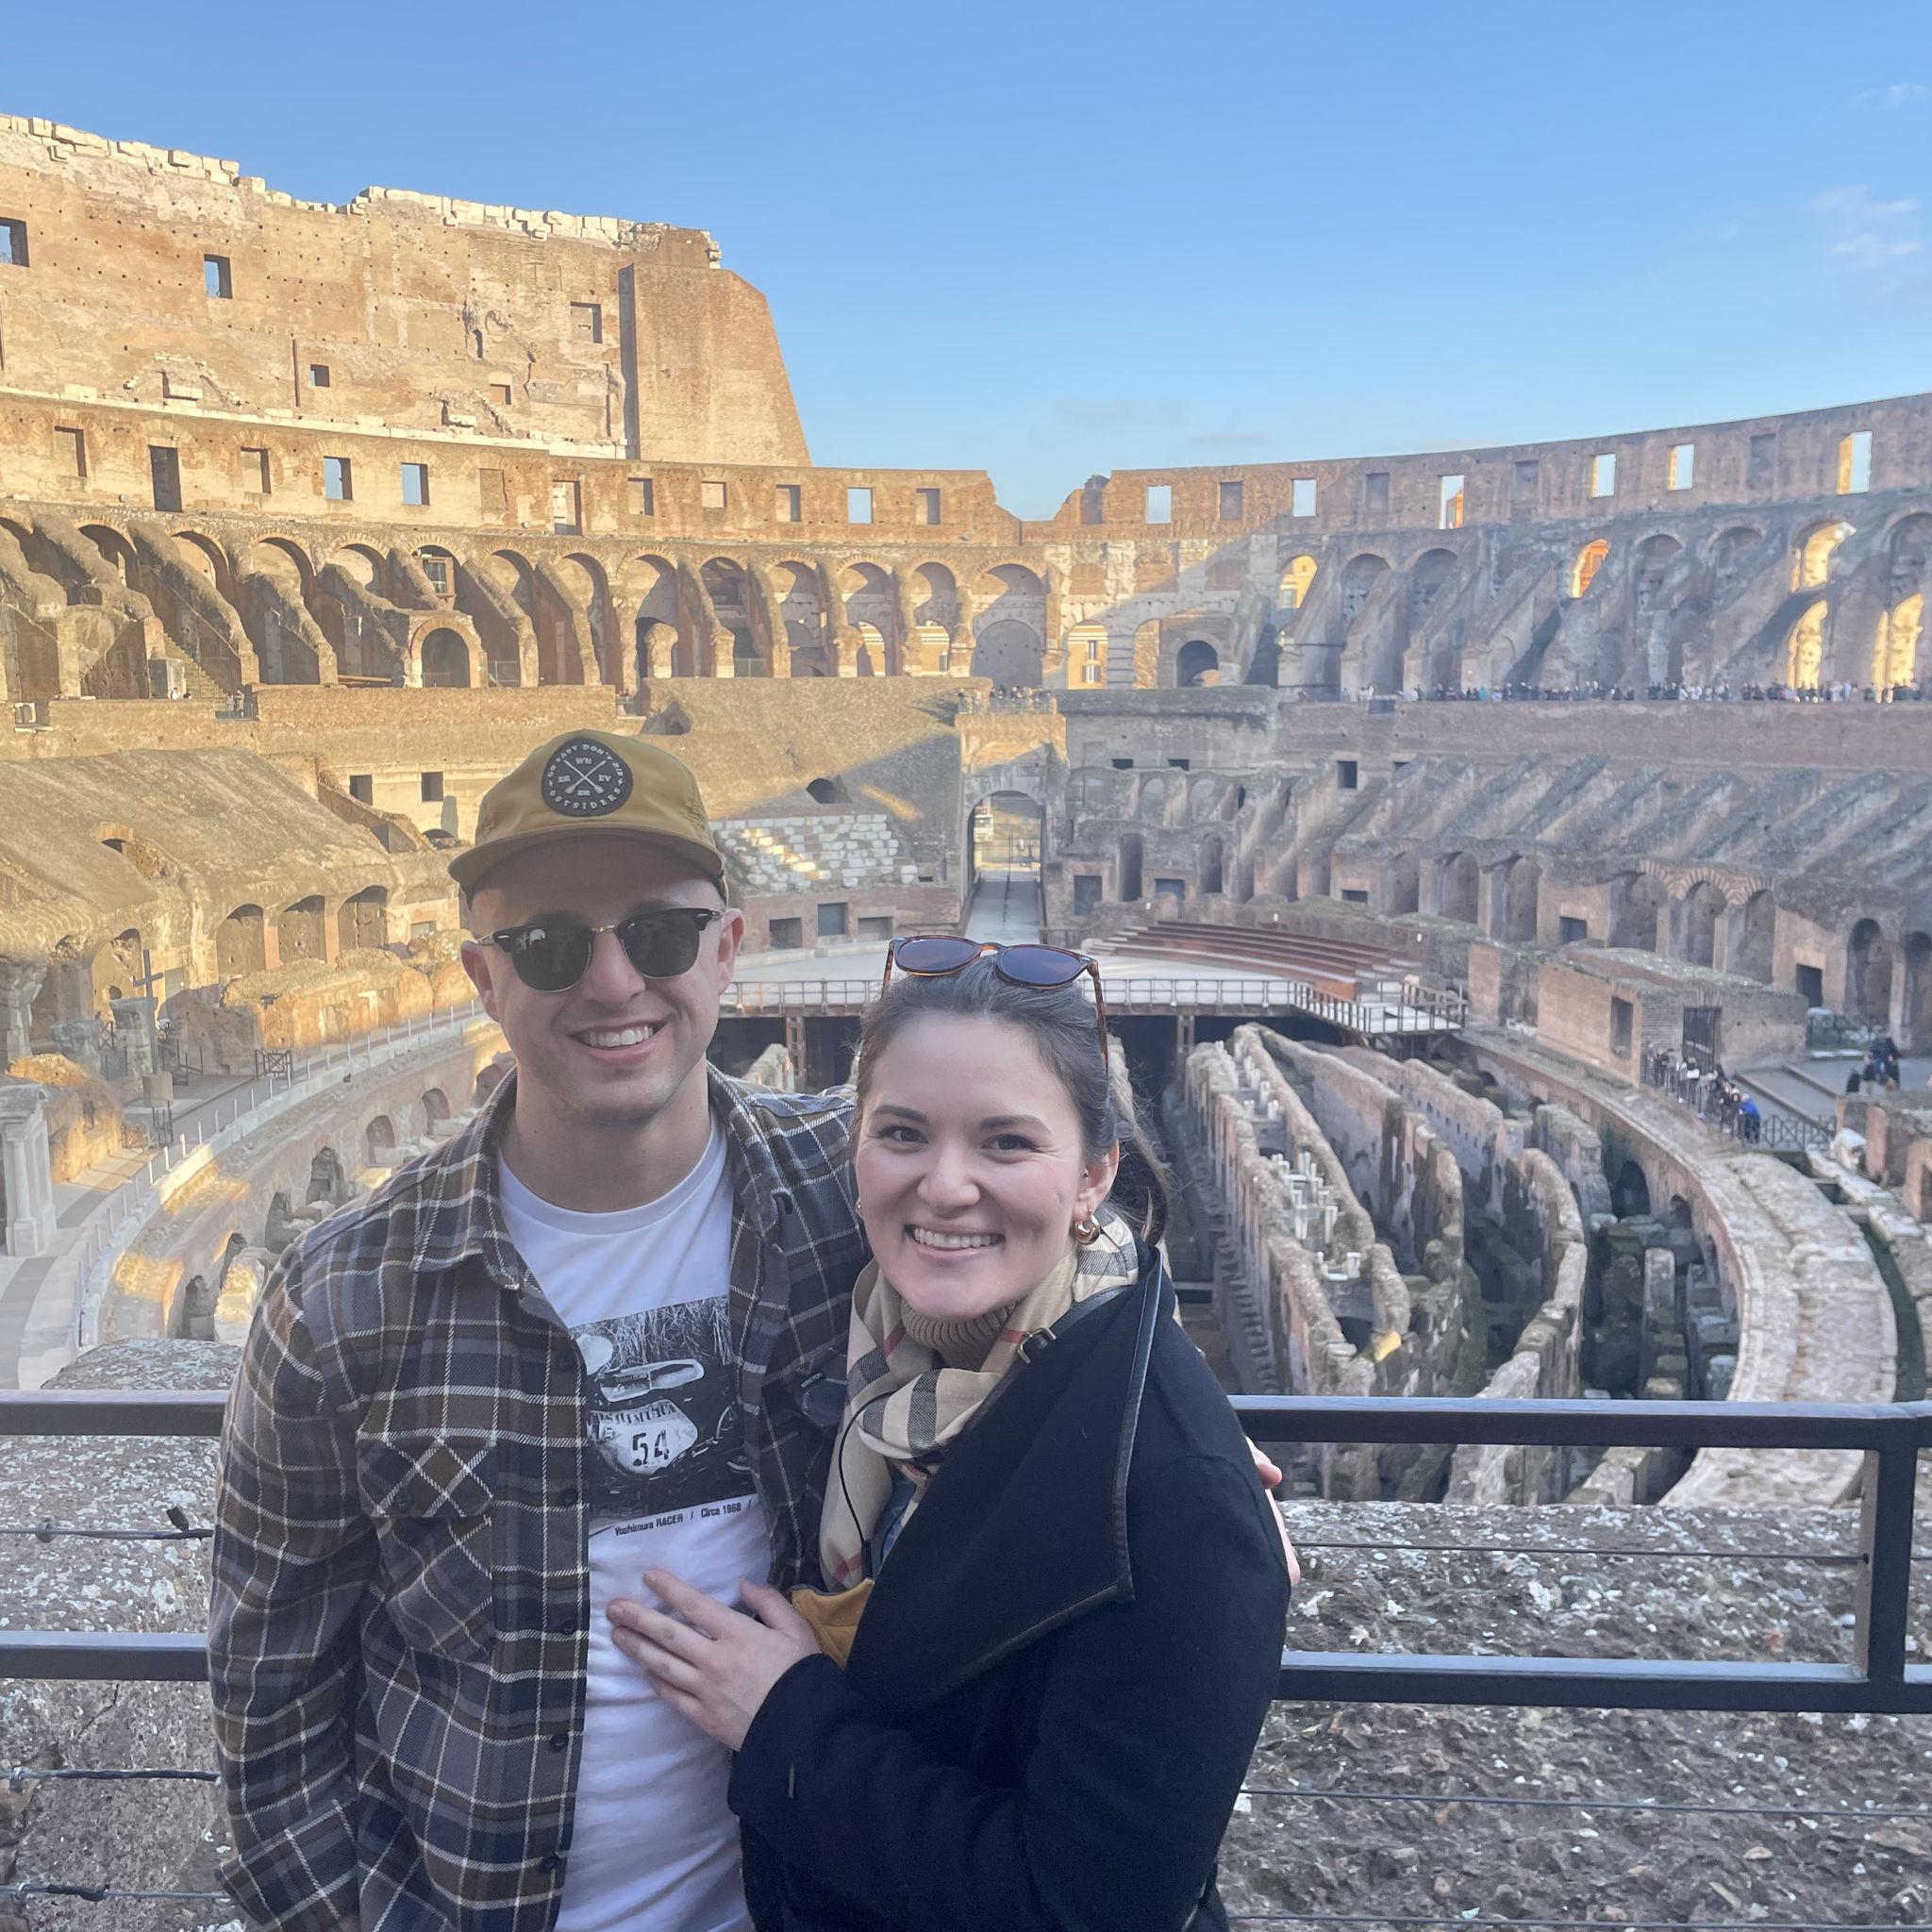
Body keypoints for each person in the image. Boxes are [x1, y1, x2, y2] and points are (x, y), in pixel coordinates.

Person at [208, 730, 868, 1932]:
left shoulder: (850, 1192)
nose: (613, 983)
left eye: (659, 934)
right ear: (481, 973)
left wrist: (1148, 1451)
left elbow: (1063, 1207)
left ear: (726, 949)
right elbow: (272, 1703)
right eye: (550, 943)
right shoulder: (343, 1296)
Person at [608, 946, 1292, 1932]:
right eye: (901, 1132)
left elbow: (1081, 1909)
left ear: (1094, 1172)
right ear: (854, 1149)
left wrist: (785, 1718)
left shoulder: (1175, 1495)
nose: (942, 1185)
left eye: (1006, 1142)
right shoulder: (876, 1355)